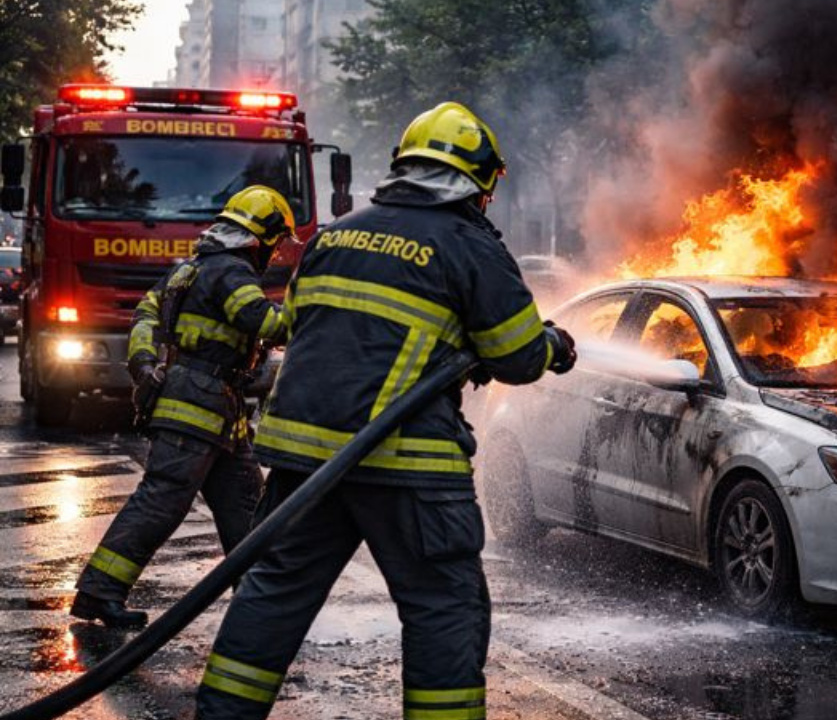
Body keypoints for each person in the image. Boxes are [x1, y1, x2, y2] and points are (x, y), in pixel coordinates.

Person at [194, 102, 576, 720]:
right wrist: (553, 345)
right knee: (442, 607)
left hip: (303, 465)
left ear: (403, 167)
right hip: (409, 464)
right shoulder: (467, 245)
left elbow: (298, 326)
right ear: (479, 182)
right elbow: (518, 357)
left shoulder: (335, 235)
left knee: (272, 596)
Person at [70, 186, 294, 627]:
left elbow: (145, 316)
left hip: (218, 412)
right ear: (260, 238)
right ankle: (98, 592)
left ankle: (258, 602)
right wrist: (316, 306)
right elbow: (266, 323)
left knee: (246, 505)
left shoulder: (189, 270)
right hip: (197, 407)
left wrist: (143, 363)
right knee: (163, 500)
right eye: (275, 242)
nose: (276, 251)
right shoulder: (231, 272)